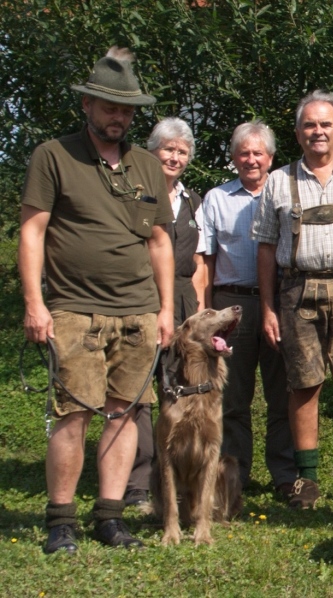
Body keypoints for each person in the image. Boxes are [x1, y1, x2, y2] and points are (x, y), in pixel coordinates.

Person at [20, 47, 174, 553]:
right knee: (74, 413)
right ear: (87, 104)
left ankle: (110, 517)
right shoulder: (53, 155)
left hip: (138, 312)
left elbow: (159, 242)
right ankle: (61, 520)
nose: (119, 117)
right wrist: (34, 304)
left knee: (124, 413)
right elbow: (33, 231)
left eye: (127, 109)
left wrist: (166, 310)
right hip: (73, 310)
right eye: (110, 107)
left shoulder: (148, 165)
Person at [251, 90, 333, 508]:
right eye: (310, 125)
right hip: (297, 289)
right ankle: (306, 479)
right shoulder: (277, 182)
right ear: (298, 132)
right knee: (302, 385)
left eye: (326, 124)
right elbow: (266, 248)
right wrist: (268, 307)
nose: (318, 132)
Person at [200, 120, 298, 502]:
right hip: (230, 305)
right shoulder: (216, 199)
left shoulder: (286, 195)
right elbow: (205, 260)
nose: (251, 159)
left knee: (282, 393)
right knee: (233, 396)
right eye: (244, 152)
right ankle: (233, 476)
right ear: (234, 157)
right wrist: (207, 311)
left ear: (271, 158)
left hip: (280, 302)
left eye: (259, 153)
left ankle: (285, 476)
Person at [122, 116, 207, 511]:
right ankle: (139, 483)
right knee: (138, 392)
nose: (174, 157)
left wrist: (201, 309)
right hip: (142, 298)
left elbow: (201, 260)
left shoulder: (193, 201)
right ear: (151, 151)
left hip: (186, 303)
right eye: (168, 149)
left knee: (181, 390)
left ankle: (182, 475)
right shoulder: (133, 193)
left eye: (182, 151)